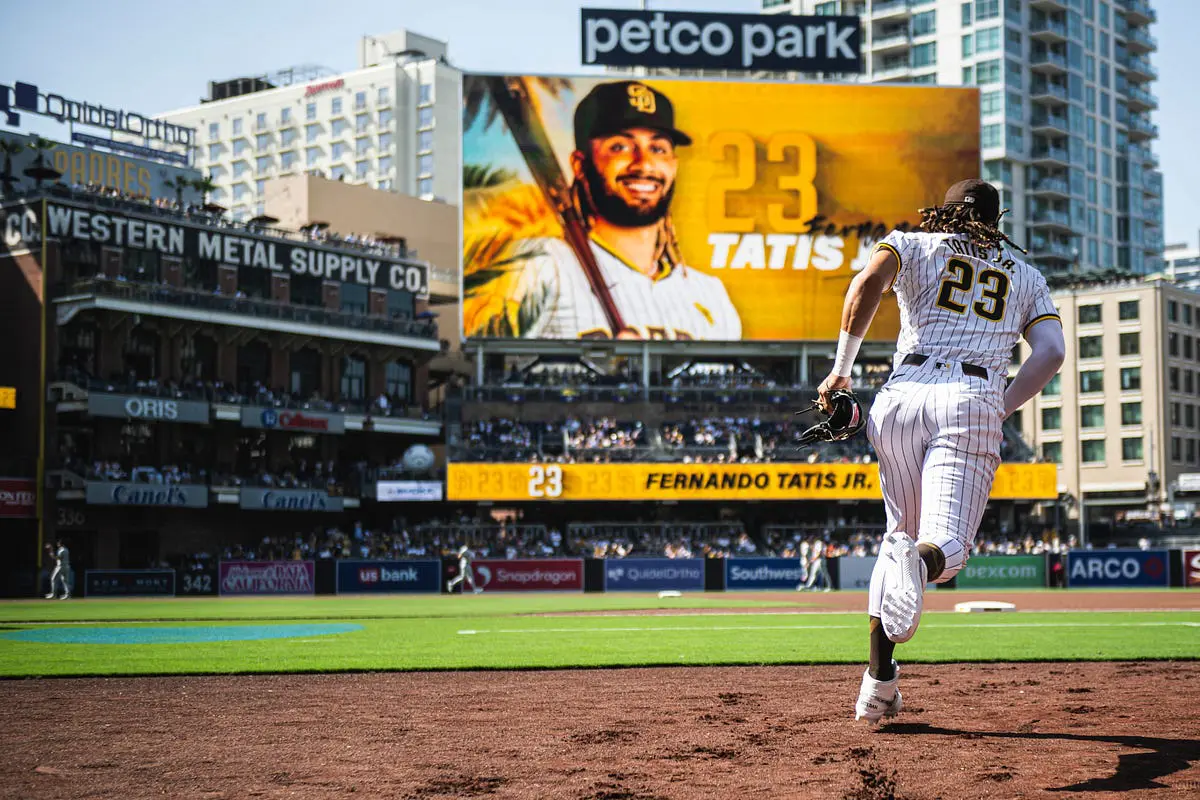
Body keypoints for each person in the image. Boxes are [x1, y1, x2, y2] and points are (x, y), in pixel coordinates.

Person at [815, 179, 1065, 724]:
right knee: (944, 550)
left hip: (899, 395)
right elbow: (1051, 352)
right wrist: (1001, 404)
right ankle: (917, 567)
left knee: (897, 539)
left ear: (942, 213)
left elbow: (864, 286)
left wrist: (841, 369)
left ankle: (878, 684)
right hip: (972, 394)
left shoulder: (910, 242)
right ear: (998, 222)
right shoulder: (1026, 277)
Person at [497, 81, 741, 341]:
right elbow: (486, 360)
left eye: (658, 149)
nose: (644, 163)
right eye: (620, 147)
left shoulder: (711, 296)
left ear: (674, 165)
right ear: (580, 164)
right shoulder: (541, 266)